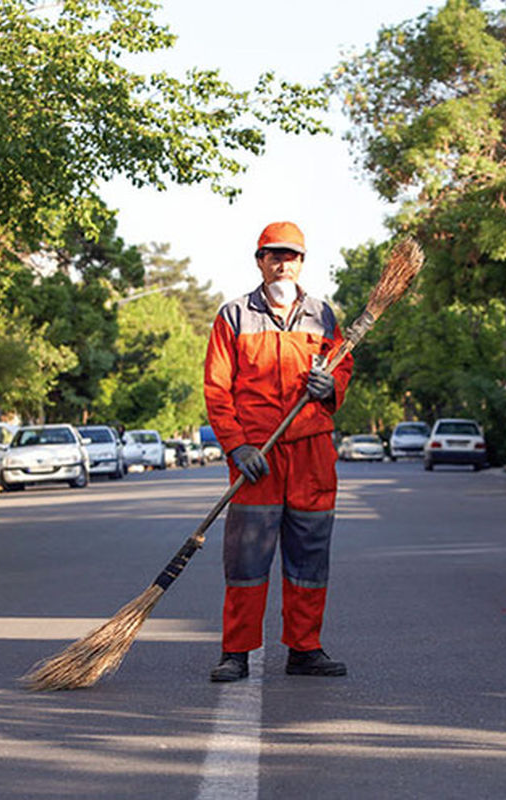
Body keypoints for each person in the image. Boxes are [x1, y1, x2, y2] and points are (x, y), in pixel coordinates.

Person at [203, 221, 354, 682]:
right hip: (258, 458)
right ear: (259, 261)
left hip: (311, 454)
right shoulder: (234, 316)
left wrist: (333, 386)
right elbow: (216, 388)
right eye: (274, 255)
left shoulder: (324, 316)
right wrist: (237, 446)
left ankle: (305, 649)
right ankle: (237, 652)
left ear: (302, 263)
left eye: (291, 256)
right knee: (247, 562)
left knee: (309, 557)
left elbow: (343, 364)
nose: (282, 263)